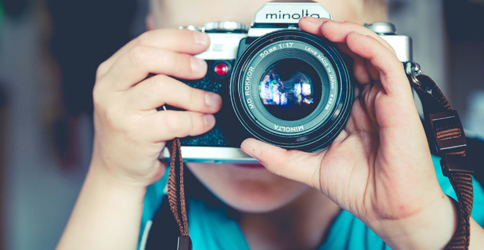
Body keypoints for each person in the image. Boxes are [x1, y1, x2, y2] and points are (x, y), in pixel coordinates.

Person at [56, 0, 484, 249]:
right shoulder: (142, 208)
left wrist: (423, 225)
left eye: (300, 56)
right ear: (150, 54)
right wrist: (112, 179)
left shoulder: (444, 195)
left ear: (377, 55)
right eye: (221, 64)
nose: (253, 116)